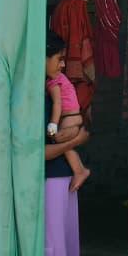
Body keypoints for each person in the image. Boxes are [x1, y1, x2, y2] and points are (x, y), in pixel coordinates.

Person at [32, 40, 92, 256]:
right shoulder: (37, 98)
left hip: (63, 181)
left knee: (69, 255)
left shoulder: (50, 91)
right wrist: (80, 139)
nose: (60, 64)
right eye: (56, 58)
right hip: (49, 182)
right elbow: (38, 153)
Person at [47, 35, 91, 192]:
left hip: (68, 117)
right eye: (59, 59)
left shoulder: (53, 81)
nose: (63, 64)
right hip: (74, 116)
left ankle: (79, 170)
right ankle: (80, 169)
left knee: (58, 141)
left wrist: (52, 125)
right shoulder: (61, 78)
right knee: (65, 145)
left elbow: (57, 105)